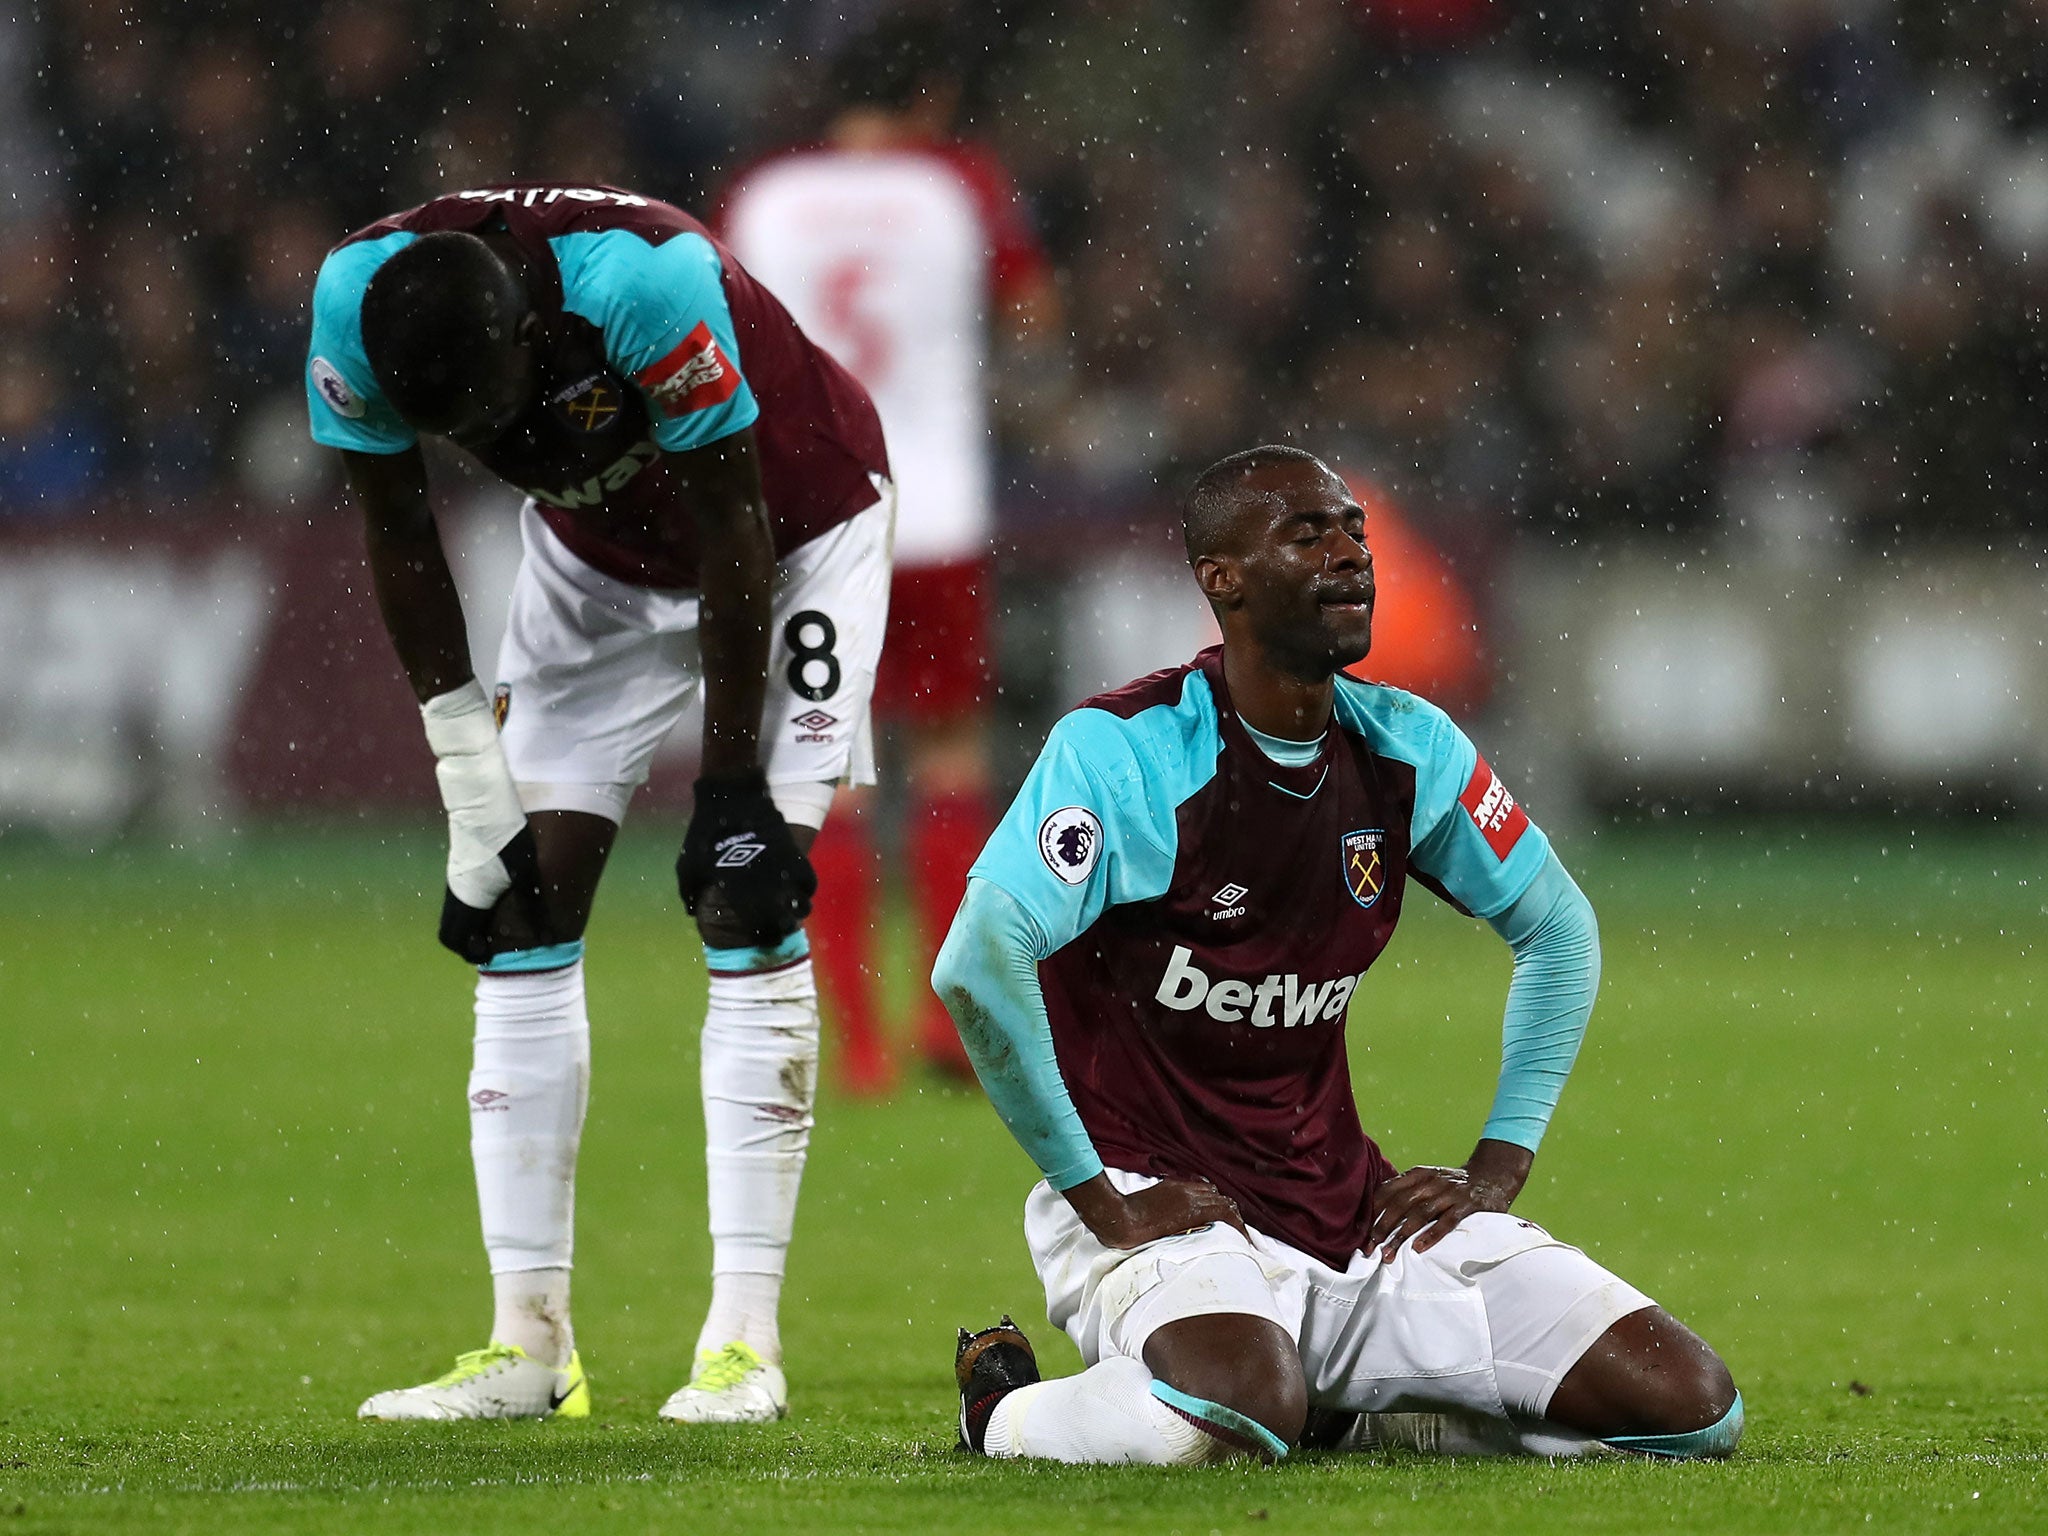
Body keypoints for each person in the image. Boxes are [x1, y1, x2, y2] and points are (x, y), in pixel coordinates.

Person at [935, 446, 1742, 1465]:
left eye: (1353, 532)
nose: (1348, 556)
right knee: (1224, 1421)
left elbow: (1559, 930)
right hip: (1164, 1211)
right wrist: (1097, 1196)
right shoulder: (1124, 752)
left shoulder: (1407, 749)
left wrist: (1499, 1163)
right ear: (1218, 578)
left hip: (1345, 1210)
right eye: (1306, 533)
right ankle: (999, 1411)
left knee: (1685, 1409)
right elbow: (977, 957)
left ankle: (1331, 1405)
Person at [303, 180, 891, 1424]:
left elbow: (735, 526)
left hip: (795, 538)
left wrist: (729, 785)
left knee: (747, 898)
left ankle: (743, 1345)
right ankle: (527, 1348)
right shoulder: (350, 306)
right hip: (595, 568)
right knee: (522, 912)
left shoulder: (644, 279)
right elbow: (399, 534)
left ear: (531, 336)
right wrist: (472, 785)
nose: (490, 446)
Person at [720, 21, 1058, 1094]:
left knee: (834, 770)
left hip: (813, 513)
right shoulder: (958, 186)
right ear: (931, 92)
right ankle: (948, 1025)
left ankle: (855, 1044)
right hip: (938, 511)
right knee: (952, 755)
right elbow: (1036, 315)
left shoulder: (765, 197)